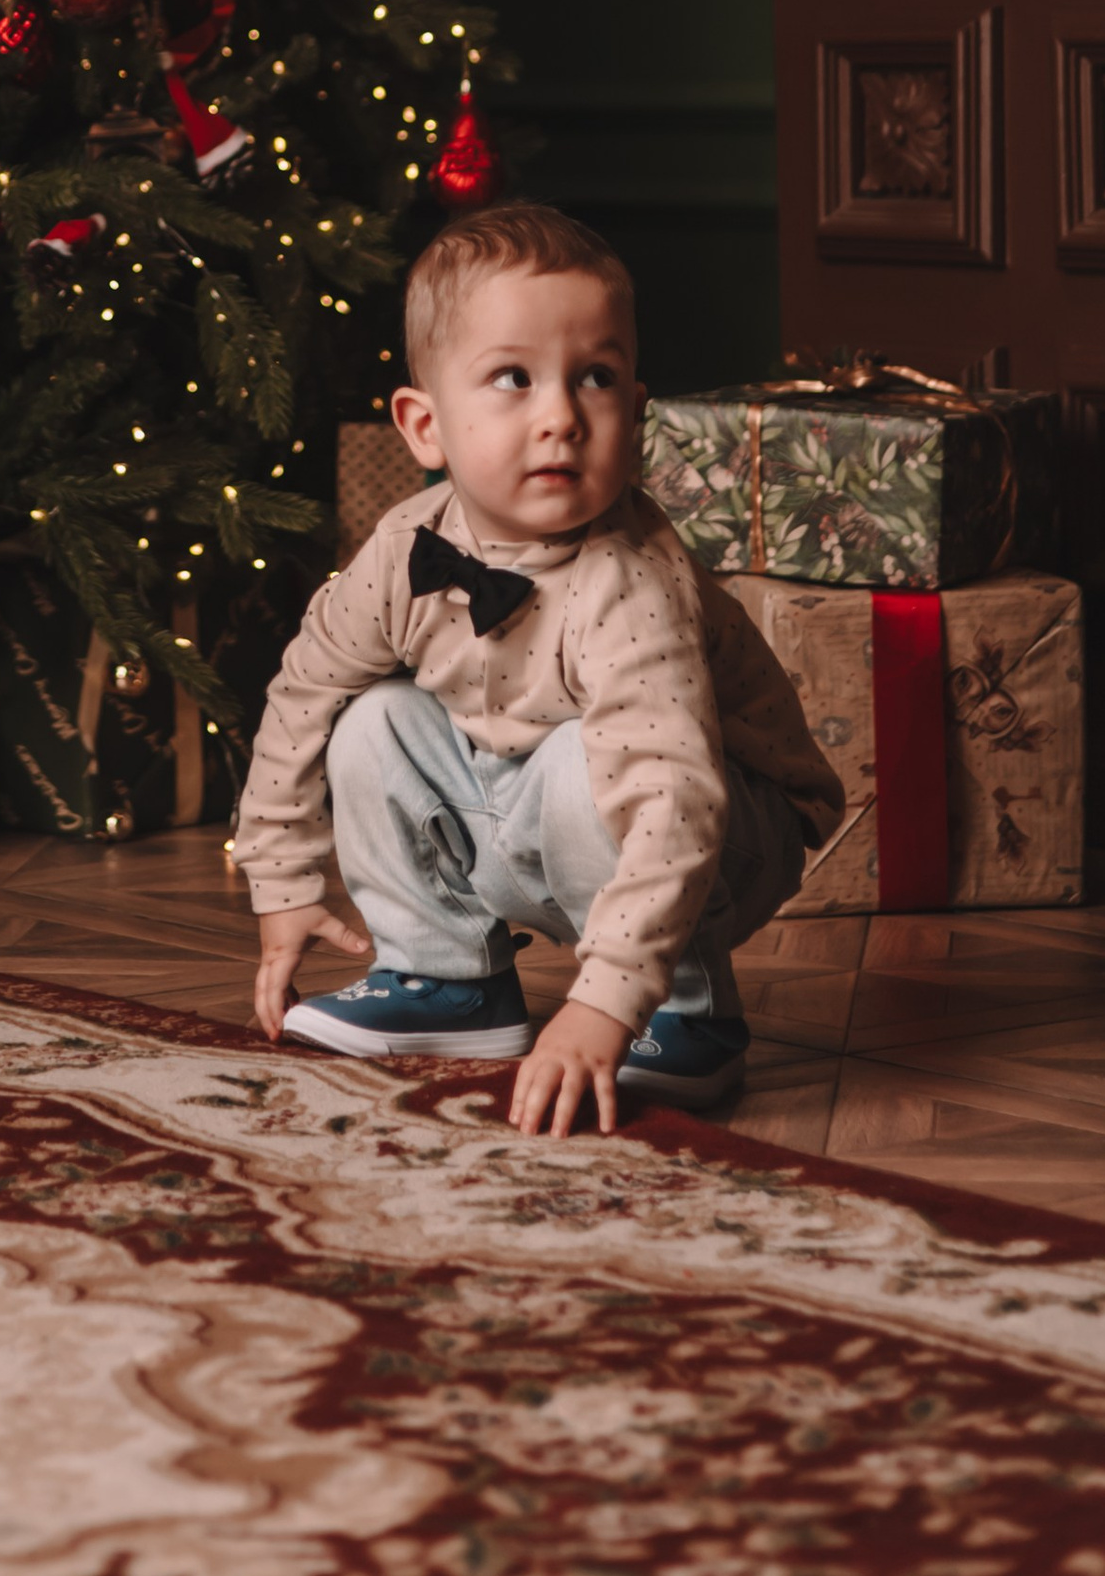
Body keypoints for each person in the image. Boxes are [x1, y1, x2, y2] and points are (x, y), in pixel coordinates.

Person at [236, 200, 841, 1135]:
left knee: (581, 756)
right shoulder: (405, 550)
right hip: (522, 800)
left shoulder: (629, 584)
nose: (560, 415)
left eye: (594, 378)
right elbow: (303, 692)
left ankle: (685, 1010)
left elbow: (676, 804)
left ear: (635, 412)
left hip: (719, 831)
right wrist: (281, 883)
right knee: (373, 719)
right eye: (513, 378)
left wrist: (602, 1005)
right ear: (424, 426)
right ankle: (445, 980)